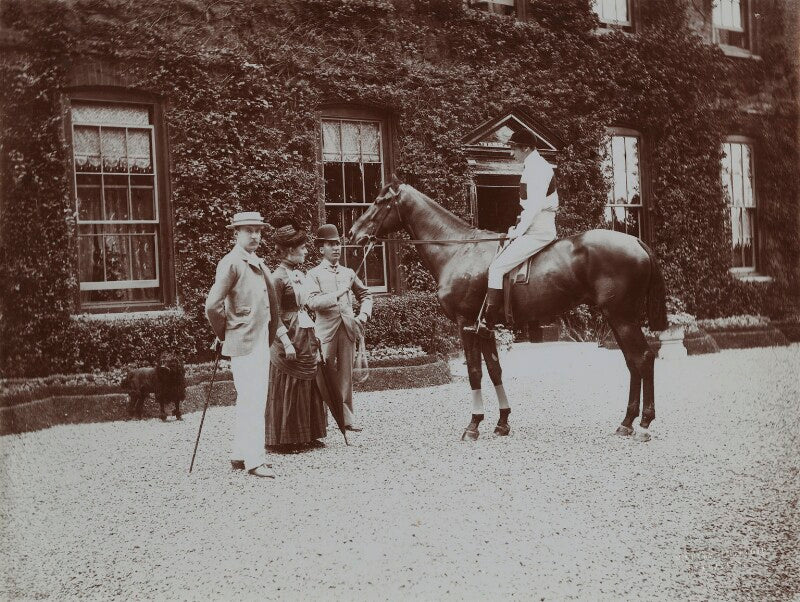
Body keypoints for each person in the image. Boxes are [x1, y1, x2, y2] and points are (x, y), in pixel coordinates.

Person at [205, 211, 285, 478]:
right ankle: (255, 460)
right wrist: (226, 332)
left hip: (259, 339)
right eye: (248, 230)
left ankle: (240, 453)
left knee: (249, 397)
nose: (255, 235)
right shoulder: (231, 263)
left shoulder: (255, 261)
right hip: (245, 341)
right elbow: (212, 306)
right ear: (236, 233)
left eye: (258, 230)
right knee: (253, 399)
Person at [480, 129, 558, 332]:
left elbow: (534, 207)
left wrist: (519, 231)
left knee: (496, 268)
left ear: (526, 148)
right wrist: (517, 227)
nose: (511, 153)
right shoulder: (532, 166)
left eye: (514, 148)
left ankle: (490, 322)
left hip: (538, 230)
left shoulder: (538, 168)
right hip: (532, 225)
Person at [265, 220, 327, 448]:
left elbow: (304, 305)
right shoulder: (277, 278)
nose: (306, 251)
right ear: (290, 250)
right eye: (302, 247)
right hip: (288, 336)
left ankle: (308, 434)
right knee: (290, 382)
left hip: (303, 332)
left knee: (307, 381)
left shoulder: (297, 274)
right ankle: (286, 439)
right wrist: (286, 342)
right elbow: (273, 313)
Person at [306, 224, 373, 432]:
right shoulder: (313, 274)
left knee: (345, 376)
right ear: (321, 249)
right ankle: (319, 422)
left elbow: (366, 295)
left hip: (347, 330)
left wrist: (363, 315)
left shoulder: (348, 273)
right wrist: (337, 294)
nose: (336, 248)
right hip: (324, 332)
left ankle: (346, 419)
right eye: (331, 244)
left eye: (338, 244)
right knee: (321, 376)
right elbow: (312, 303)